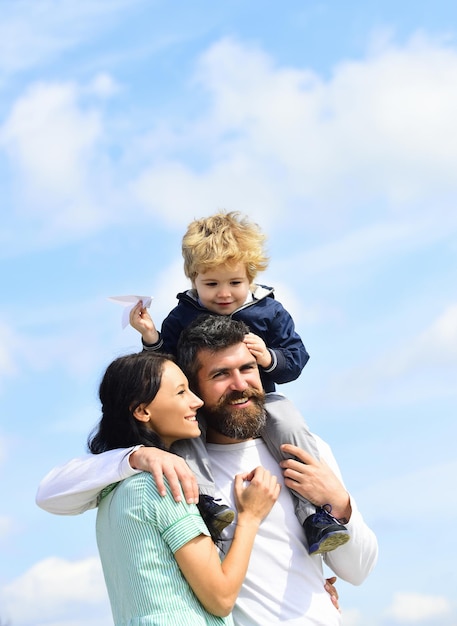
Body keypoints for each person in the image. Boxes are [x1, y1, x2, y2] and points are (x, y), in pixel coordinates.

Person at [37, 316, 378, 625]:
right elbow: (50, 494)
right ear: (194, 388)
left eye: (247, 368)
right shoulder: (177, 468)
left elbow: (358, 570)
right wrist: (137, 456)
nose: (240, 384)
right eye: (220, 374)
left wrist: (340, 502)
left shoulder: (304, 452)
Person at [130, 211, 349, 554]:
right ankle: (206, 501)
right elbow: (164, 367)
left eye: (234, 283)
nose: (223, 294)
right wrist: (151, 338)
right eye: (211, 284)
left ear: (250, 277)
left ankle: (315, 515)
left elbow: (296, 357)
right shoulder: (182, 317)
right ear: (193, 280)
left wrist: (269, 358)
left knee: (287, 417)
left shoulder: (268, 311)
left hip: (260, 404)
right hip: (206, 407)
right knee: (187, 431)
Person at [86, 350, 280, 625]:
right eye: (181, 393)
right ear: (142, 411)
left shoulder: (110, 491)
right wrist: (250, 517)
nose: (197, 401)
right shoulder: (163, 484)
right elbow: (221, 598)